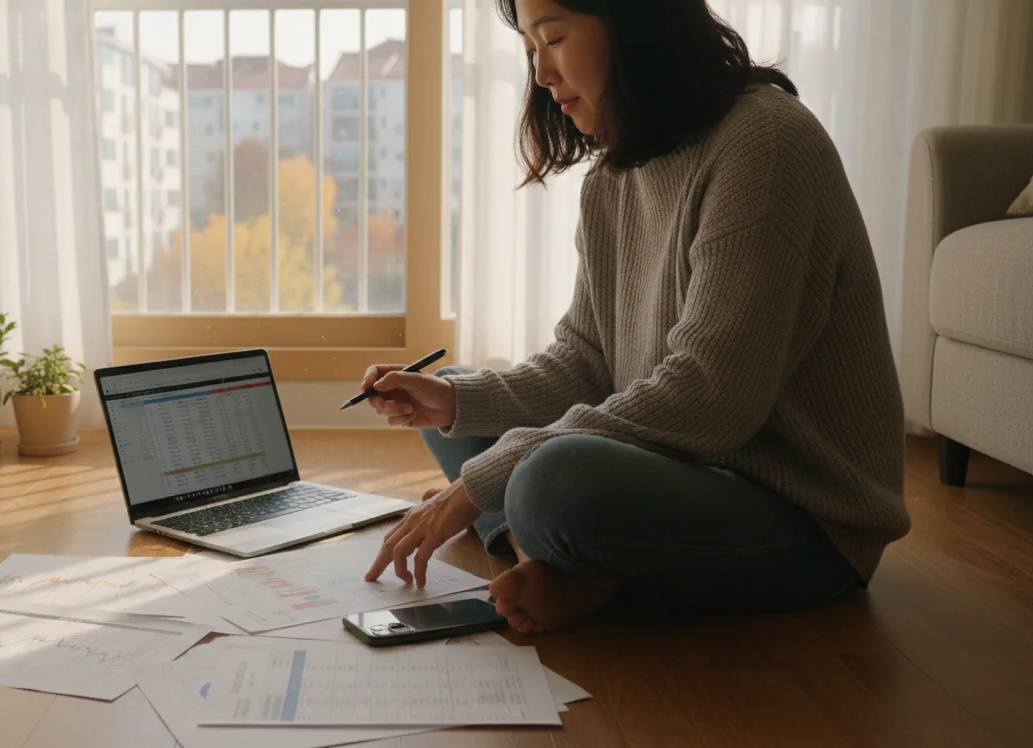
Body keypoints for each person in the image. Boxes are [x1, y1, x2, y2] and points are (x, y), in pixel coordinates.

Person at [359, 0, 908, 635]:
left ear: (636, 24)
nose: (540, 73)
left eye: (555, 39)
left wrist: (485, 483)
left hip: (801, 517)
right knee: (457, 417)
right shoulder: (614, 176)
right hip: (687, 474)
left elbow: (711, 396)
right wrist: (458, 402)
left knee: (548, 482)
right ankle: (560, 559)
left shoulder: (766, 144)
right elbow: (588, 359)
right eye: (531, 49)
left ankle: (551, 550)